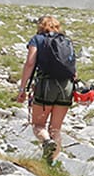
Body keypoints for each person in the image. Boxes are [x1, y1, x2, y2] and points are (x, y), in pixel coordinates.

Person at [17, 15, 74, 164]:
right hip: (66, 86)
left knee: (38, 125)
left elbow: (30, 63)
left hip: (46, 86)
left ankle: (47, 142)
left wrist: (22, 88)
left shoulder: (37, 39)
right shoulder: (65, 41)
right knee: (56, 128)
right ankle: (51, 163)